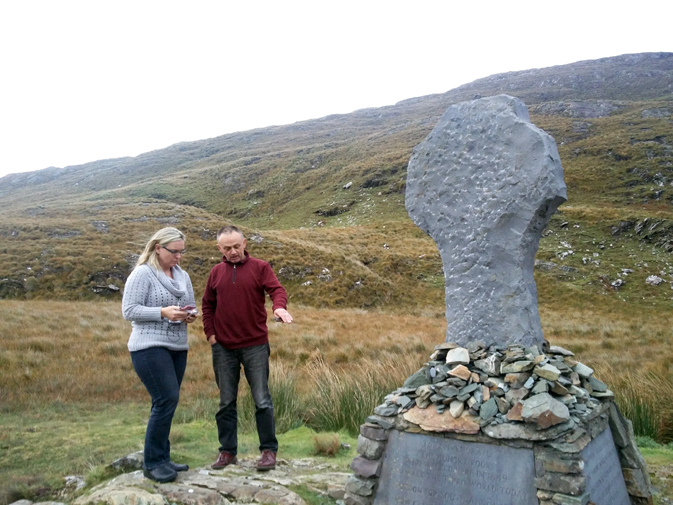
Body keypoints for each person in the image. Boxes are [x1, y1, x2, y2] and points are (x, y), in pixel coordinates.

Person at [202, 225, 293, 471]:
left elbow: (277, 290)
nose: (233, 252)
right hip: (223, 348)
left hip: (255, 345)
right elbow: (208, 305)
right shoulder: (216, 272)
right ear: (219, 248)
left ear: (245, 243)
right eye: (227, 248)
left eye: (236, 246)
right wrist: (211, 335)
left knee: (262, 400)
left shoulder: (260, 268)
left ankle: (268, 451)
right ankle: (228, 452)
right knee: (226, 403)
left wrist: (279, 307)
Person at [121, 227, 198, 483]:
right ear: (158, 248)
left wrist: (189, 315)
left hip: (177, 346)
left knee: (167, 402)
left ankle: (163, 458)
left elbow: (192, 305)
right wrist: (162, 313)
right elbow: (129, 310)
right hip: (148, 346)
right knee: (166, 398)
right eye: (174, 251)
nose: (178, 257)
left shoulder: (182, 275)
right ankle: (152, 463)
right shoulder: (143, 273)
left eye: (181, 252)